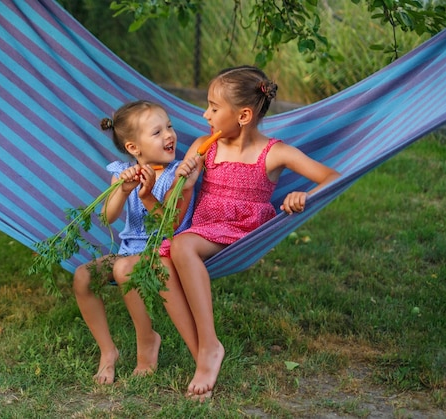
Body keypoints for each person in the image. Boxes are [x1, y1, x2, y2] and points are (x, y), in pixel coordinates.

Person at [115, 66, 341, 400]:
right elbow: (172, 221)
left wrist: (303, 195)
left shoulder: (275, 152)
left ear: (244, 115)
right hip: (199, 230)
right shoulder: (204, 149)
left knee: (181, 248)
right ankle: (202, 356)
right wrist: (187, 186)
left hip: (242, 235)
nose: (205, 114)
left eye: (213, 108)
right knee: (165, 261)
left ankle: (209, 343)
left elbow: (332, 177)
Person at [72, 100, 195, 385]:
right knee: (83, 278)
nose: (169, 135)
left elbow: (167, 226)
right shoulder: (124, 172)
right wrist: (123, 189)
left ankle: (147, 340)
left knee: (124, 269)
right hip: (129, 252)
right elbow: (107, 217)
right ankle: (108, 351)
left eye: (169, 127)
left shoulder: (179, 175)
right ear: (133, 148)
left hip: (163, 252)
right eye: (157, 132)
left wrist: (147, 194)